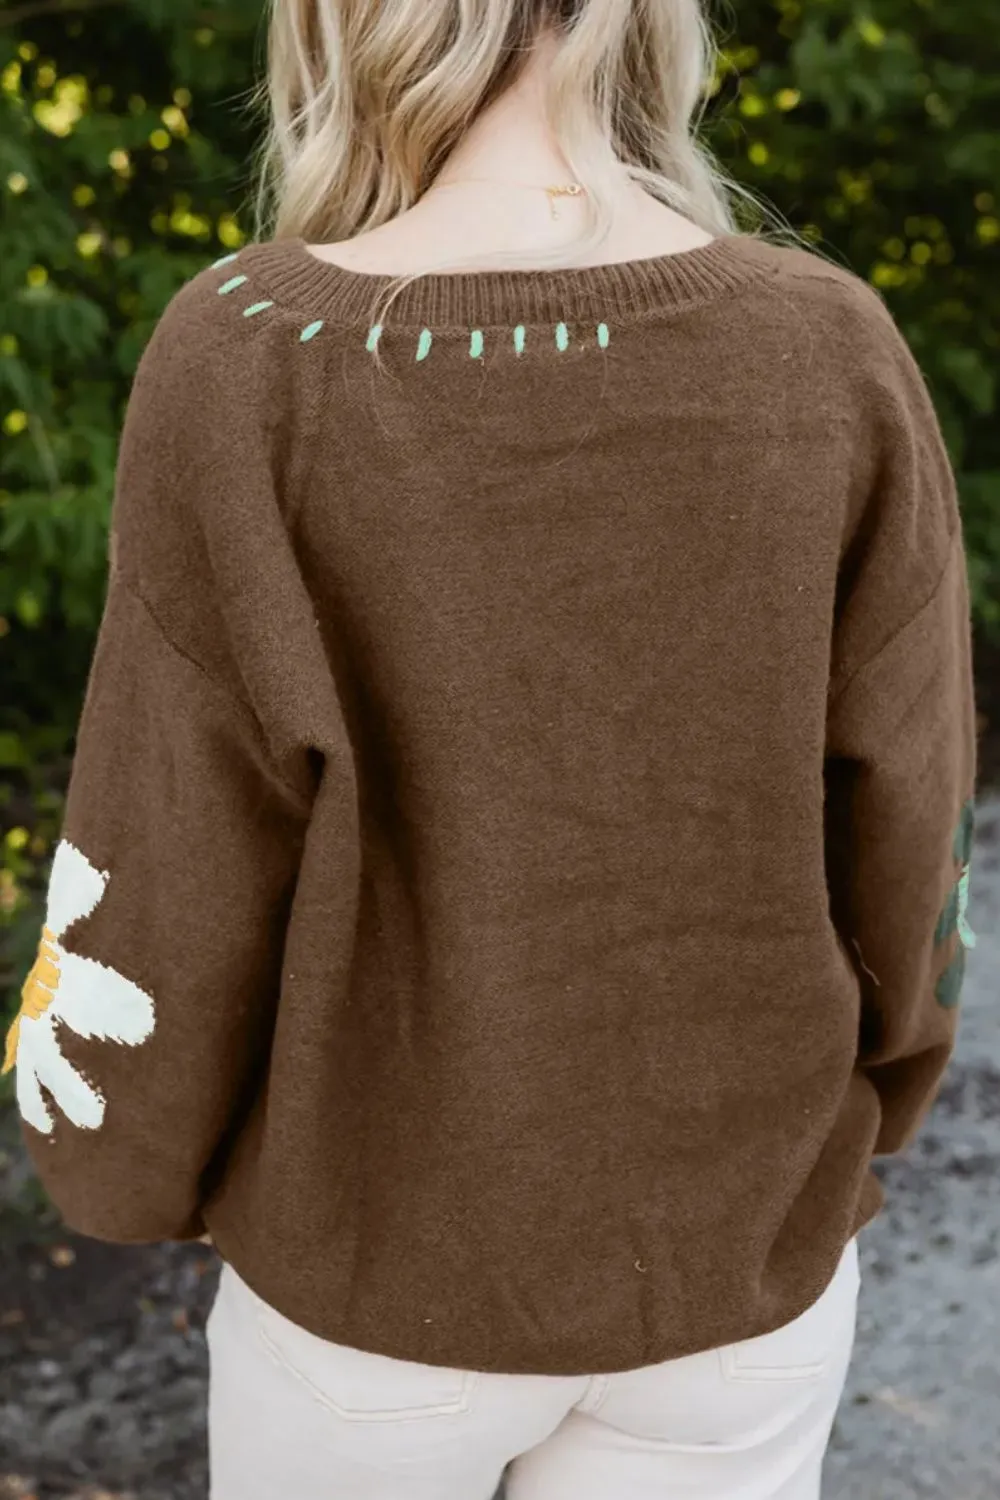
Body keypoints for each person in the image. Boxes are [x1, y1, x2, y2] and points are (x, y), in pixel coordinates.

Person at [3, 1, 979, 1497]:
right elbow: (912, 797)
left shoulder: (250, 355)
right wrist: (890, 1085)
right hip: (738, 1268)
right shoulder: (828, 344)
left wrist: (118, 1160)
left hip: (372, 1287)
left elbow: (173, 836)